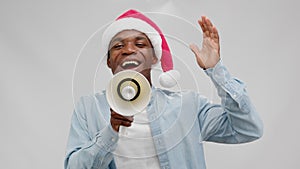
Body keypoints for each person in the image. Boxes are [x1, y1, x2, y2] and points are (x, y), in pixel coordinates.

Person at [64, 9, 263, 169]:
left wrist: (215, 70)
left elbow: (248, 128)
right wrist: (111, 131)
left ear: (154, 58)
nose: (128, 50)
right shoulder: (88, 108)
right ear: (108, 61)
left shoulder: (188, 106)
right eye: (117, 46)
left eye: (140, 44)